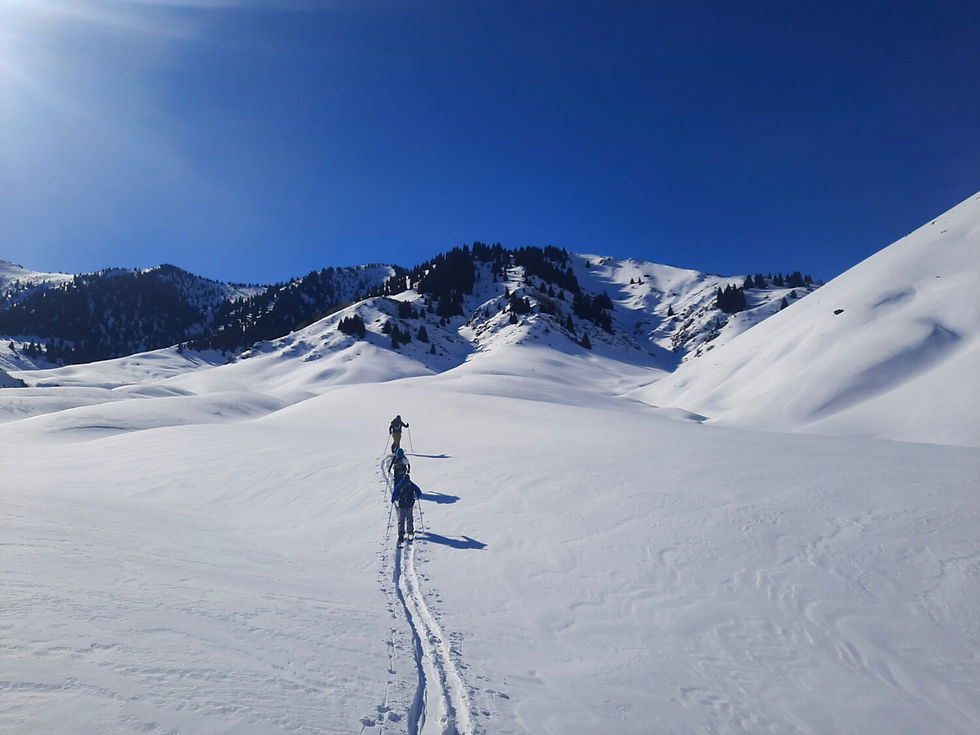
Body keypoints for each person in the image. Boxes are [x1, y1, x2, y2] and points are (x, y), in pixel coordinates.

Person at [391, 473, 422, 545]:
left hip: (402, 504)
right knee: (409, 518)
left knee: (401, 519)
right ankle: (410, 532)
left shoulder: (400, 484)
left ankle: (401, 534)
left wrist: (393, 500)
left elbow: (395, 492)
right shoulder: (411, 484)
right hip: (410, 504)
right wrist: (417, 496)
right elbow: (419, 491)